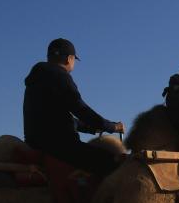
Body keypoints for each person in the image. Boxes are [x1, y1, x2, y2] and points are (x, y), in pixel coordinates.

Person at [23, 38, 124, 176]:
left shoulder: (36, 80)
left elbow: (58, 118)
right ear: (69, 59)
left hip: (35, 143)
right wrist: (112, 127)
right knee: (115, 163)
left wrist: (93, 128)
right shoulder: (60, 76)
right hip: (60, 145)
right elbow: (80, 109)